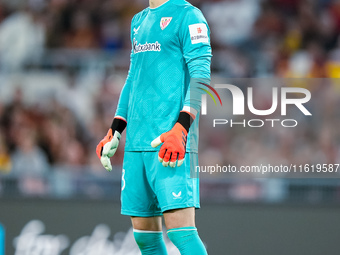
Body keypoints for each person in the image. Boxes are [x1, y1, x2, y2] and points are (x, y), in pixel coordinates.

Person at [96, 0, 211, 254]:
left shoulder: (189, 16)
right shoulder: (138, 21)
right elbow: (132, 77)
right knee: (145, 240)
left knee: (182, 234)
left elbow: (201, 76)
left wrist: (181, 129)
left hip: (170, 143)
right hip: (137, 145)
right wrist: (115, 129)